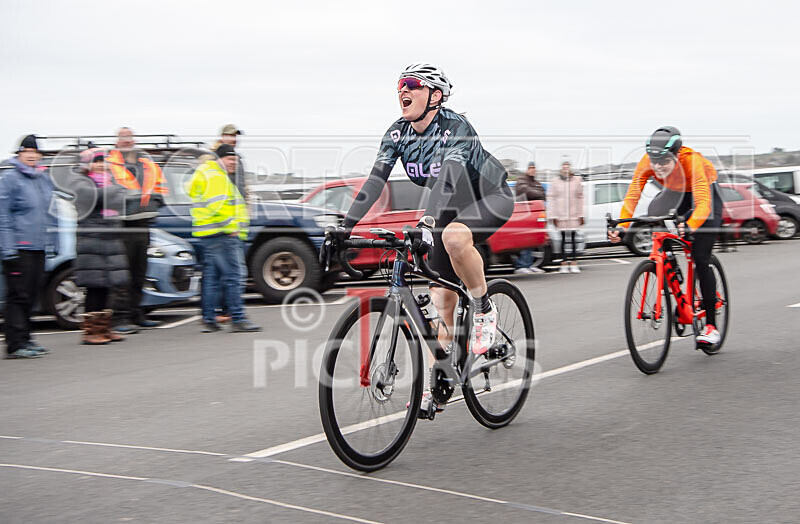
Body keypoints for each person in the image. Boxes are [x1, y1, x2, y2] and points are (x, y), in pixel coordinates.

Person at [338, 63, 514, 414]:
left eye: (412, 85)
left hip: (488, 196)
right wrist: (345, 228)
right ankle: (442, 377)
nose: (403, 90)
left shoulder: (454, 126)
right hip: (445, 207)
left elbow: (449, 178)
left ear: (435, 95)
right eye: (400, 85)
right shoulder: (397, 132)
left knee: (452, 237)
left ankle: (483, 306)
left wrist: (427, 221)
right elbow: (375, 182)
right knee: (440, 301)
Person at [609, 126, 723, 346]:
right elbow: (633, 195)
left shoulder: (694, 163)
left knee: (701, 257)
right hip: (676, 193)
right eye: (655, 162)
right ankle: (670, 264)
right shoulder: (647, 163)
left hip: (704, 198)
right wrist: (621, 224)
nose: (658, 167)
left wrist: (690, 226)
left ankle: (710, 326)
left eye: (664, 162)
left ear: (677, 156)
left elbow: (702, 205)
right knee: (653, 213)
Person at [188, 145, 260, 333]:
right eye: (230, 159)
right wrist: (232, 227)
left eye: (235, 160)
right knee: (234, 276)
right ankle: (238, 318)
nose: (233, 163)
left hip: (209, 234)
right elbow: (217, 205)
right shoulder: (216, 176)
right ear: (219, 158)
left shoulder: (208, 173)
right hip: (223, 233)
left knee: (211, 278)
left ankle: (209, 319)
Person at [0, 135, 59, 359]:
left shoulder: (42, 179)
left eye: (35, 152)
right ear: (19, 154)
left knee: (33, 295)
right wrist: (8, 251)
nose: (32, 156)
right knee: (18, 295)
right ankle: (14, 344)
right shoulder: (9, 179)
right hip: (18, 247)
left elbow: (49, 214)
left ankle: (27, 338)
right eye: (27, 152)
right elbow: (2, 217)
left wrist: (50, 243)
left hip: (38, 247)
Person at [107, 127, 169, 332]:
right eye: (122, 138)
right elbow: (108, 194)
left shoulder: (147, 162)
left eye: (129, 137)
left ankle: (136, 312)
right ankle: (120, 318)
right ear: (117, 141)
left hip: (143, 223)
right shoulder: (110, 164)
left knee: (139, 271)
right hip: (122, 225)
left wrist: (154, 202)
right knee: (122, 274)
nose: (126, 141)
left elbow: (160, 187)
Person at [73, 149, 132, 344]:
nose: (100, 165)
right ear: (87, 164)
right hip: (91, 240)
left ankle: (105, 327)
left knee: (108, 285)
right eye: (96, 162)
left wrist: (109, 194)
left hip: (110, 239)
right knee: (94, 286)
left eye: (103, 162)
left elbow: (120, 199)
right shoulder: (80, 181)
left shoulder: (109, 181)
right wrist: (111, 193)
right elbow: (91, 198)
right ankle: (90, 331)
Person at [210, 124, 248, 324]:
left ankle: (226, 309)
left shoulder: (237, 159)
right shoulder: (214, 159)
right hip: (223, 223)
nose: (233, 139)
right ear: (222, 136)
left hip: (236, 221)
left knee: (231, 271)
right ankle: (224, 311)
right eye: (229, 136)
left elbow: (241, 189)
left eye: (235, 136)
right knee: (226, 271)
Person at [549, 159, 585, 273]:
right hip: (561, 214)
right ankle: (563, 263)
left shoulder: (576, 180)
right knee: (563, 239)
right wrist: (553, 215)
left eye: (568, 166)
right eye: (564, 166)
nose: (566, 168)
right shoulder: (555, 181)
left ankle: (574, 262)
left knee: (574, 238)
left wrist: (581, 214)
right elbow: (552, 198)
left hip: (573, 213)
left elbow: (580, 197)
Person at [514, 161, 546, 274]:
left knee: (533, 240)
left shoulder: (536, 182)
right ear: (527, 169)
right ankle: (521, 265)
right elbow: (527, 191)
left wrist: (538, 193)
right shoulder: (522, 180)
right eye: (531, 168)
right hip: (524, 214)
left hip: (534, 213)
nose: (533, 170)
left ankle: (529, 264)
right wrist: (538, 194)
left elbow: (542, 193)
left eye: (534, 168)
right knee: (526, 240)